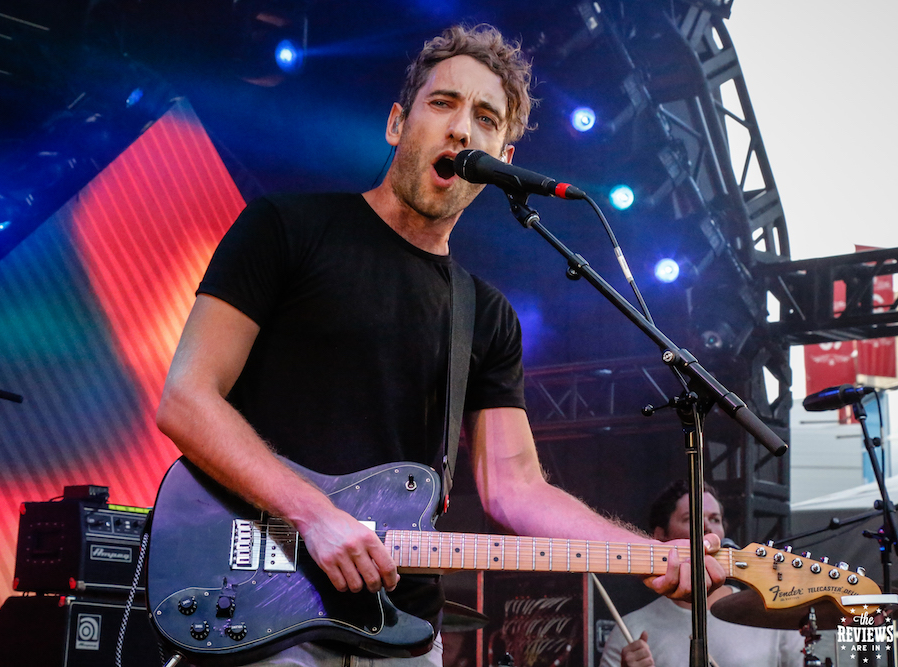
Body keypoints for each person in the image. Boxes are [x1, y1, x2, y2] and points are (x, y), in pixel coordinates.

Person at [156, 23, 725, 667]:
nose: (461, 130)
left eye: (486, 118)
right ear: (399, 123)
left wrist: (653, 555)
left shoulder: (482, 315)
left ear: (502, 158)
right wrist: (313, 514)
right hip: (261, 606)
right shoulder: (287, 229)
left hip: (400, 628)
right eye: (443, 103)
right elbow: (186, 399)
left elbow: (515, 489)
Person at [599, 480, 804, 667]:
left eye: (715, 519)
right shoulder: (631, 630)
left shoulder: (772, 616)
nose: (706, 527)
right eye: (691, 519)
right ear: (661, 536)